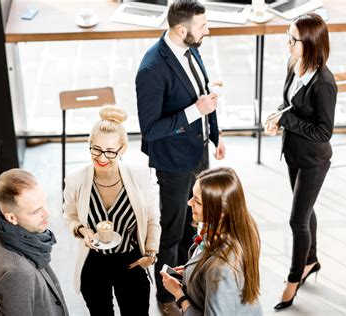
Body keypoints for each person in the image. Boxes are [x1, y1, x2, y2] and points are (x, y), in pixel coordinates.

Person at [135, 0, 225, 312]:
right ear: (181, 29)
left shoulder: (191, 47)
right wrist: (194, 112)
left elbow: (203, 92)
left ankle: (186, 278)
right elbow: (150, 129)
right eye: (203, 26)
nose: (207, 31)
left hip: (198, 153)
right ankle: (164, 294)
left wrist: (214, 134)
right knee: (173, 229)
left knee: (194, 221)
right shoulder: (151, 69)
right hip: (173, 162)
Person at [265, 13, 337, 309]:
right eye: (288, 35)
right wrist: (277, 118)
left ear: (308, 43)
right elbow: (289, 104)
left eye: (292, 38)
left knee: (297, 220)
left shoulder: (324, 84)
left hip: (313, 160)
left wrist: (288, 120)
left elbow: (324, 131)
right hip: (294, 153)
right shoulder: (294, 64)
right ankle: (311, 261)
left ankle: (294, 279)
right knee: (306, 211)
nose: (287, 42)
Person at [62, 105, 161, 316]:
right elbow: (69, 215)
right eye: (95, 149)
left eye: (110, 151)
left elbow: (153, 219)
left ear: (122, 149)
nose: (101, 157)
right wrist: (82, 231)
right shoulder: (75, 179)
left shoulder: (141, 176)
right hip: (94, 262)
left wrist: (151, 254)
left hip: (131, 260)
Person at [160, 167, 262, 315]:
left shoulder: (221, 270)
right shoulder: (240, 226)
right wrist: (192, 272)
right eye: (192, 196)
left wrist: (179, 295)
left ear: (220, 211)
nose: (189, 203)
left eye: (198, 201)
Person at [0, 169, 69, 316]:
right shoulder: (16, 275)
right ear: (12, 218)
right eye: (35, 211)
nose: (47, 213)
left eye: (44, 202)